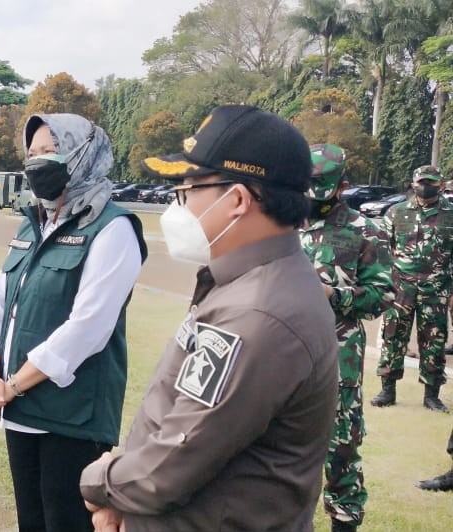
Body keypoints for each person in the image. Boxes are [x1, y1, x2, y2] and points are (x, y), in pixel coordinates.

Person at [80, 105, 338, 531]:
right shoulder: (249, 283)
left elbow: (172, 462)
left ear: (236, 200)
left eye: (188, 190)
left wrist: (100, 481)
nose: (177, 205)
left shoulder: (259, 312)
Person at [0, 114, 146, 531]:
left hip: (73, 417)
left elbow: (88, 327)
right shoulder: (32, 224)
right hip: (20, 409)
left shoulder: (113, 228)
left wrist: (11, 386)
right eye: (31, 154)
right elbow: (0, 301)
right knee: (32, 522)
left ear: (83, 153)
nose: (37, 163)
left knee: (67, 523)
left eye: (50, 152)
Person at [300, 144, 394, 532]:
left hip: (340, 354)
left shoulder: (365, 231)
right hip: (283, 349)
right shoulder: (283, 222)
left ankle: (344, 521)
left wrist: (334, 295)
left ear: (343, 187)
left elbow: (383, 296)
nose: (310, 197)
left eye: (320, 188)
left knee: (341, 444)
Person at [372, 165, 453, 412]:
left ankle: (431, 395)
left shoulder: (451, 215)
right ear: (413, 184)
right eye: (421, 181)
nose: (425, 186)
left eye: (431, 182)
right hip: (400, 289)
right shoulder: (396, 213)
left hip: (437, 289)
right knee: (393, 337)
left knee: (434, 342)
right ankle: (387, 390)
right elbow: (383, 251)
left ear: (441, 185)